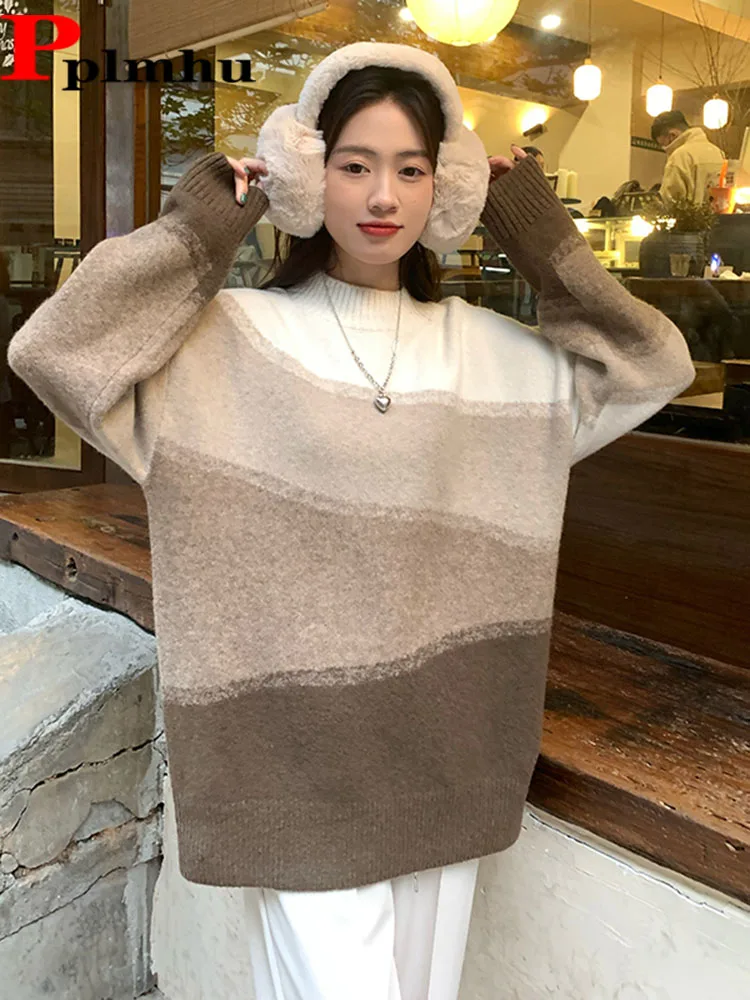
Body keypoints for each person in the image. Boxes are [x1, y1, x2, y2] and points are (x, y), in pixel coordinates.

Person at [8, 42, 694, 1000]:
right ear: (304, 174)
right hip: (288, 767)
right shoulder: (224, 347)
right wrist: (201, 230)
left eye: (413, 170)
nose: (382, 196)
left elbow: (653, 366)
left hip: (449, 755)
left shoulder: (495, 359)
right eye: (353, 164)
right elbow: (56, 350)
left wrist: (533, 232)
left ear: (446, 188)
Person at [651, 109, 724, 209]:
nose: (666, 149)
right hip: (720, 217)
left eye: (664, 145)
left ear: (672, 135)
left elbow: (670, 202)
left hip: (691, 219)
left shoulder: (680, 156)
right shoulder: (718, 152)